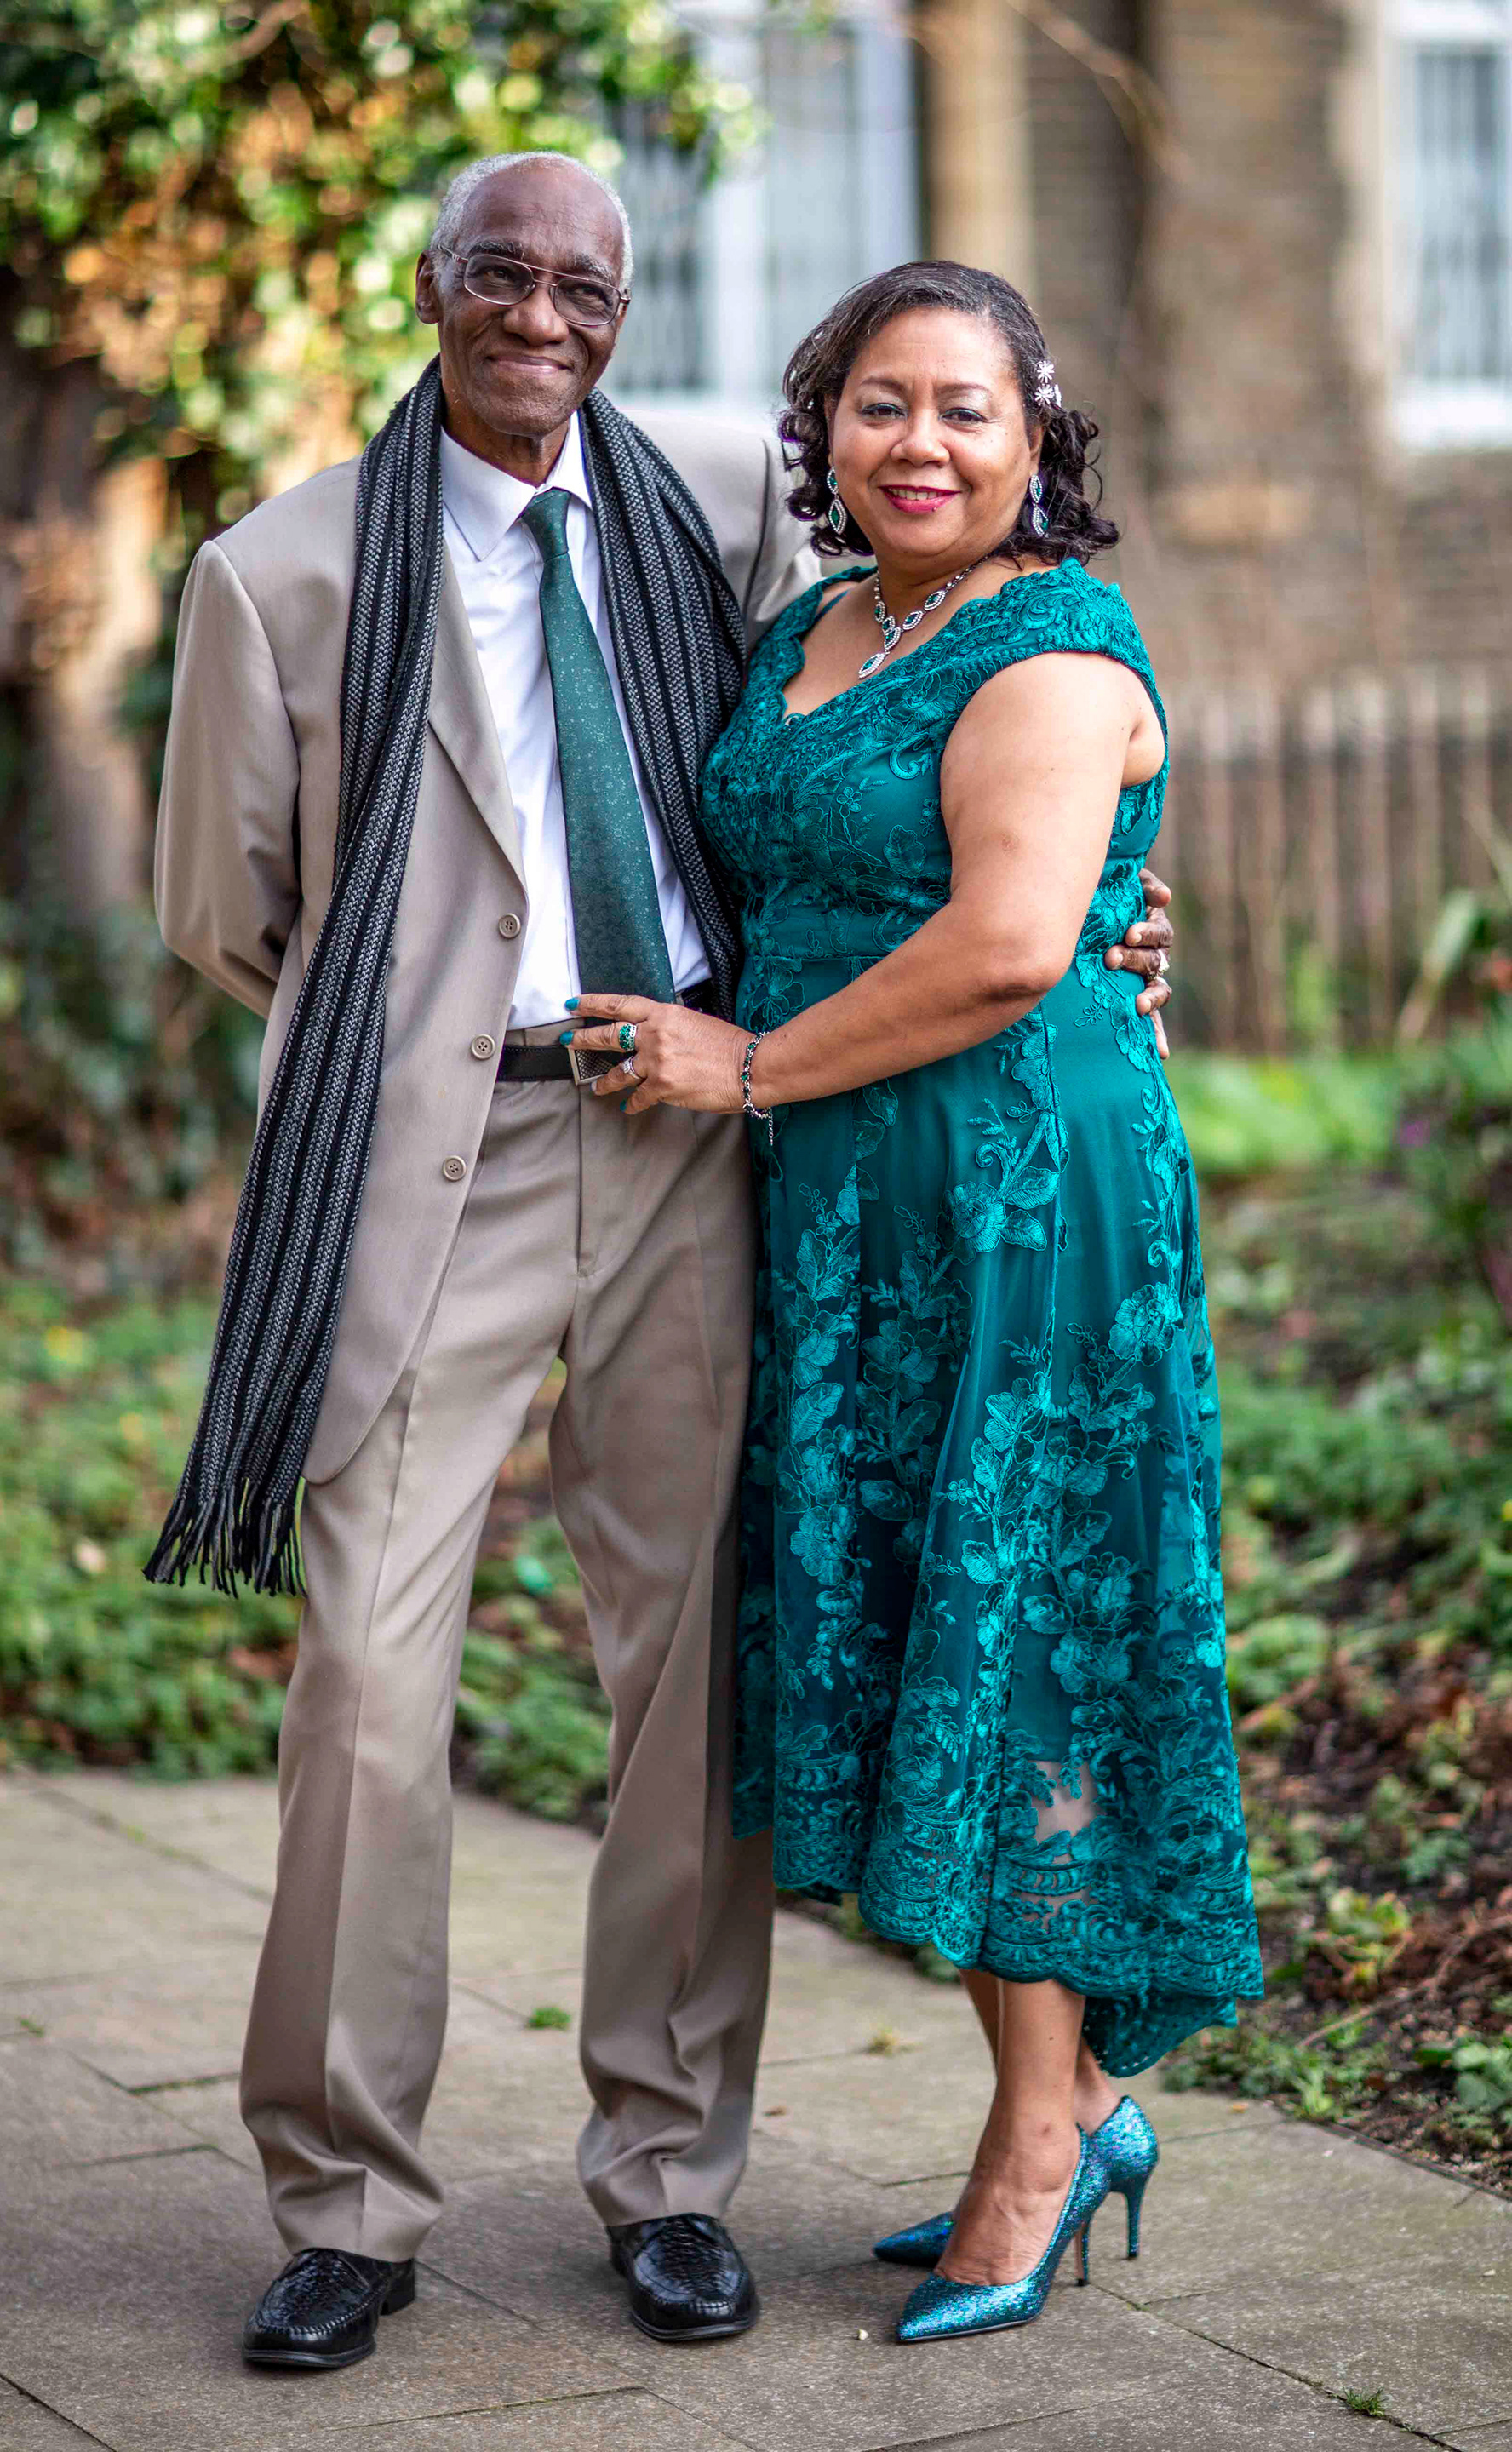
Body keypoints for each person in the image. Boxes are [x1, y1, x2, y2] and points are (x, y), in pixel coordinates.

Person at [152, 152, 1175, 2371]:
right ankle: (344, 2200)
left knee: (691, 1685)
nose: (541, 317)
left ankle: (670, 2173)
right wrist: (444, 1030)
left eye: (584, 285)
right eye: (499, 275)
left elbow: (942, 731)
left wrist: (1107, 912)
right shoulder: (278, 573)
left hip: (702, 1144)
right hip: (438, 1158)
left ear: (628, 312)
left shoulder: (718, 502)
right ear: (433, 288)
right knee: (366, 1678)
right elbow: (227, 912)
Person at [564, 261, 1262, 2346]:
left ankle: (1044, 2142)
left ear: (1038, 436)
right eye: (882, 404)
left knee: (1013, 1634)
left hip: (1021, 1197)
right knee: (923, 1631)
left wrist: (749, 1068)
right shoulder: (818, 627)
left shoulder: (1054, 642)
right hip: (854, 1208)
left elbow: (1014, 942)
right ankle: (1072, 2109)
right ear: (824, 431)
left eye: (968, 408)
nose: (924, 443)